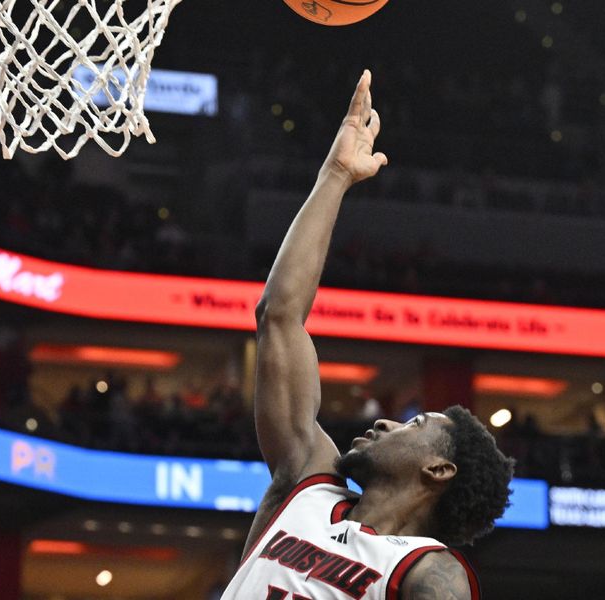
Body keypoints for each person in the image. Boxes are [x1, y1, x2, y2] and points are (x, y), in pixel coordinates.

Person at [221, 71, 514, 600]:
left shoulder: (430, 572)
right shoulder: (305, 483)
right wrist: (334, 175)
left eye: (416, 422)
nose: (386, 420)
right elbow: (279, 316)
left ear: (439, 468)